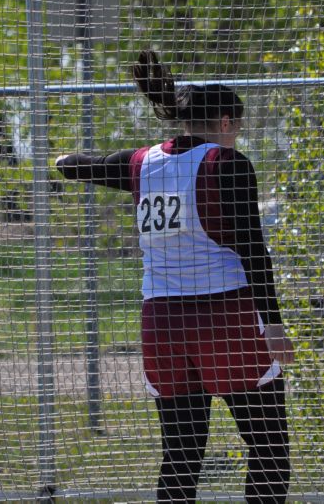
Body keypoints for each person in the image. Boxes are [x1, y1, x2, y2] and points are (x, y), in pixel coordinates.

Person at [55, 50, 293, 503]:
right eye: (237, 125)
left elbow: (72, 164)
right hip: (224, 320)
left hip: (162, 327)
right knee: (269, 450)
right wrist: (275, 326)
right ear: (225, 122)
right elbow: (254, 253)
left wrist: (65, 159)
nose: (238, 134)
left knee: (181, 457)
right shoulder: (227, 163)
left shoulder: (142, 164)